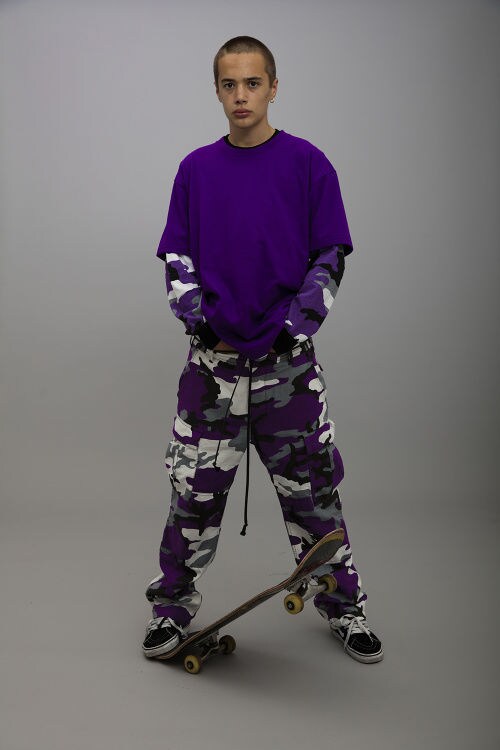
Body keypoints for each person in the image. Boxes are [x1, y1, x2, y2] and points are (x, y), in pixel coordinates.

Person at [142, 35, 383, 664]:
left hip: (287, 371)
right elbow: (176, 257)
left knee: (315, 497)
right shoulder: (196, 169)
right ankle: (170, 609)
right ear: (217, 91)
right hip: (212, 373)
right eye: (229, 84)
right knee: (192, 496)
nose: (241, 96)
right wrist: (201, 327)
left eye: (252, 83)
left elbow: (330, 257)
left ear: (273, 86)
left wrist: (292, 329)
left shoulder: (308, 164)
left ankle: (346, 608)